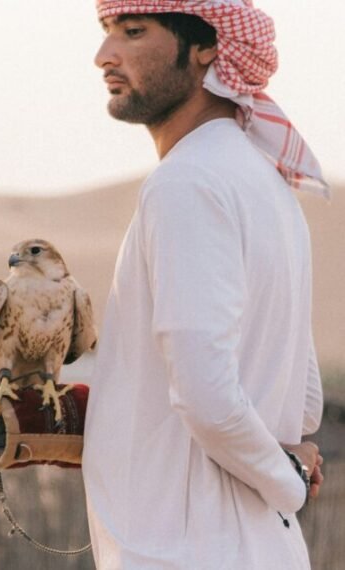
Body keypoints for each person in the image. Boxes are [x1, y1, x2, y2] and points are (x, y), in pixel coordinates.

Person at [82, 2, 327, 568]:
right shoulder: (265, 184)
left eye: (134, 32)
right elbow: (304, 399)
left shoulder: (186, 184)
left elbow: (207, 397)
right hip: (261, 546)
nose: (104, 56)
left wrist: (285, 481)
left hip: (188, 550)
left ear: (207, 47)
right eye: (106, 33)